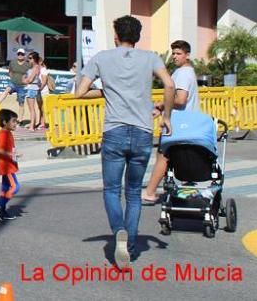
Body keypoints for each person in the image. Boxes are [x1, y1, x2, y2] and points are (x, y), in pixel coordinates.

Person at [75, 15, 174, 267]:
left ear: (116, 35)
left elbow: (79, 92)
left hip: (115, 131)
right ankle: (129, 245)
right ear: (137, 37)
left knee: (111, 190)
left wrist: (106, 90)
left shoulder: (101, 58)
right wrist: (167, 117)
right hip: (142, 132)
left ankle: (118, 229)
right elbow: (170, 85)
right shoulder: (151, 57)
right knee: (133, 192)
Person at [141, 39, 200, 204]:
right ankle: (184, 188)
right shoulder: (188, 72)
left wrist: (162, 104)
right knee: (177, 156)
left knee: (163, 156)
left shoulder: (182, 74)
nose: (174, 56)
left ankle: (150, 192)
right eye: (173, 53)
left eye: (178, 53)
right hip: (187, 123)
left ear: (187, 55)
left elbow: (181, 100)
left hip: (177, 124)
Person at [0, 109, 21, 222]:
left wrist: (14, 155)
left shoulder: (8, 133)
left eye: (16, 121)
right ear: (4, 122)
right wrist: (12, 154)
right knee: (15, 187)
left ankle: (2, 210)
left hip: (9, 164)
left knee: (5, 188)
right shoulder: (3, 134)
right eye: (13, 121)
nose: (15, 124)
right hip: (7, 166)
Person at [22, 52, 46, 131]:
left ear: (34, 59)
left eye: (30, 58)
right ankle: (34, 124)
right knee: (35, 108)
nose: (28, 60)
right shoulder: (36, 67)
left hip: (32, 88)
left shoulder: (35, 68)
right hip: (34, 88)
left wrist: (24, 80)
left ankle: (32, 126)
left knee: (31, 109)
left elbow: (30, 80)